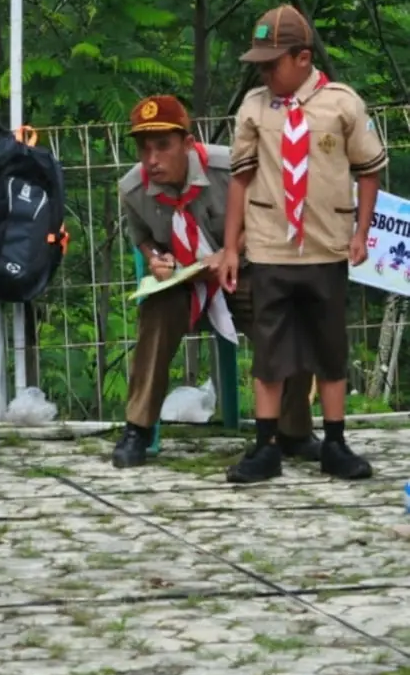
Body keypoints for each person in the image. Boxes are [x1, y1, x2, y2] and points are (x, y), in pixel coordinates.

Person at [112, 94, 321, 480]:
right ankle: (137, 429)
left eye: (163, 146)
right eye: (144, 147)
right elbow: (142, 237)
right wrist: (157, 258)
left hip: (241, 270)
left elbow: (270, 212)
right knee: (155, 312)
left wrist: (228, 250)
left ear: (188, 144)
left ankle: (293, 430)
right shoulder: (133, 189)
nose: (151, 158)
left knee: (290, 313)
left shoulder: (230, 167)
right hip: (186, 281)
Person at [219, 5, 387, 482]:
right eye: (260, 66)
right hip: (271, 248)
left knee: (330, 349)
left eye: (274, 64)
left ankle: (334, 441)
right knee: (270, 353)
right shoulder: (254, 107)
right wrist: (232, 247)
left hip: (326, 248)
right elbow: (239, 180)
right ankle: (265, 445)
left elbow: (369, 169)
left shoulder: (341, 103)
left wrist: (361, 232)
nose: (266, 73)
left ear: (303, 57)